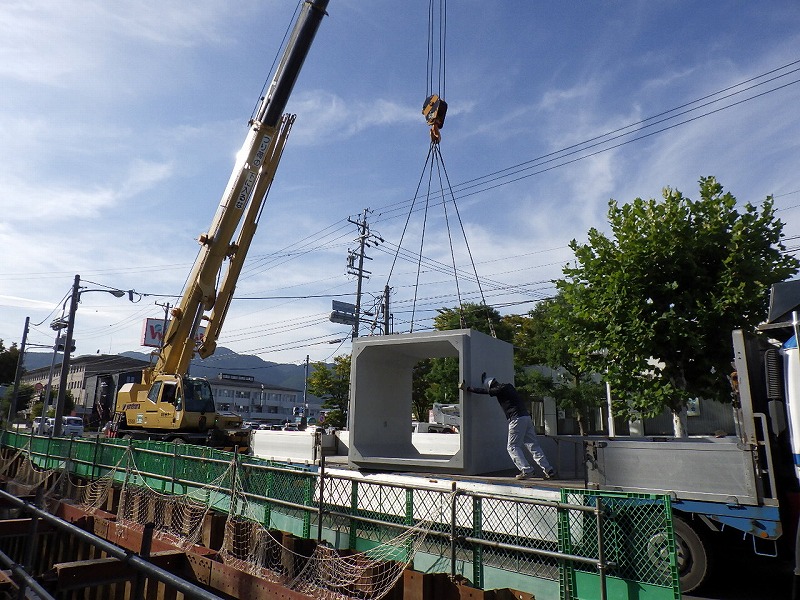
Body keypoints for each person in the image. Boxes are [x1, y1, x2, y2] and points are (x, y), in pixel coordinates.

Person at [461, 375, 555, 481]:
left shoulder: (499, 389)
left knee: (512, 447)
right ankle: (549, 470)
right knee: (533, 446)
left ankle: (526, 470)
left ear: (490, 386)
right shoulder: (508, 386)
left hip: (516, 419)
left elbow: (485, 392)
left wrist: (467, 388)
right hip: (526, 417)